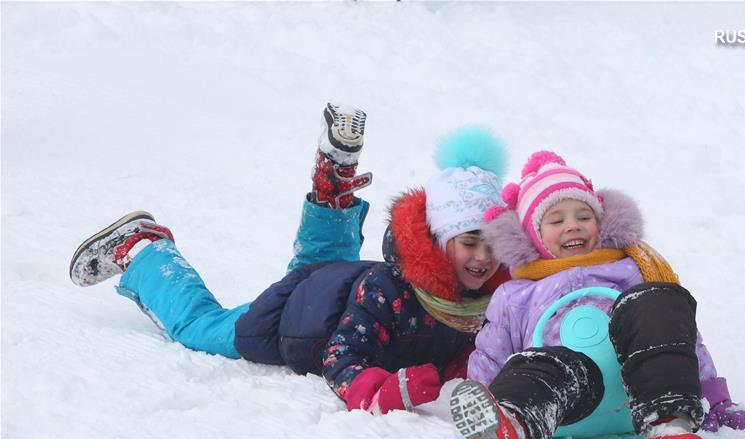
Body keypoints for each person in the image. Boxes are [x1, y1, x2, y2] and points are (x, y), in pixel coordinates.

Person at [69, 104, 510, 414]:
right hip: (291, 319)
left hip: (331, 286)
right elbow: (342, 359)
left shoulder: (475, 301)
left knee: (321, 262)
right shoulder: (391, 292)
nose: (483, 257)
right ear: (434, 239)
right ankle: (145, 250)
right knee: (198, 327)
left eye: (493, 244)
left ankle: (333, 183)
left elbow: (462, 350)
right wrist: (391, 390)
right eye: (470, 241)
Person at [450, 150, 745, 439]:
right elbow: (493, 352)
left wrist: (715, 398)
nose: (572, 226)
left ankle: (668, 426)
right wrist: (488, 396)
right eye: (556, 220)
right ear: (534, 235)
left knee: (660, 299)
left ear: (600, 222)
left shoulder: (631, 269)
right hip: (566, 399)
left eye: (584, 217)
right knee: (541, 364)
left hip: (637, 389)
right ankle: (513, 424)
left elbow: (678, 336)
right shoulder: (517, 293)